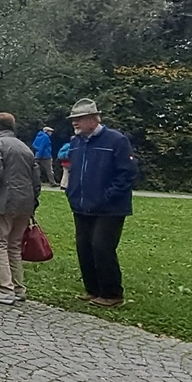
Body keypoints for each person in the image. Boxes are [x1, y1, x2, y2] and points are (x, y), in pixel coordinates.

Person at [64, 98, 137, 308]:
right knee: (84, 247)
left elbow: (128, 173)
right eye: (73, 119)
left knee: (102, 247)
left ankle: (112, 294)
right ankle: (93, 290)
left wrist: (107, 197)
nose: (75, 122)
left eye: (79, 118)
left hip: (109, 208)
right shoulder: (76, 142)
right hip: (81, 205)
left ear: (94, 119)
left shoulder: (116, 140)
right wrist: (72, 193)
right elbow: (73, 170)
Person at [0, 112, 39, 305]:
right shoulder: (25, 147)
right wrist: (33, 201)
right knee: (14, 245)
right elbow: (36, 180)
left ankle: (5, 288)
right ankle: (18, 288)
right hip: (25, 202)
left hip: (2, 201)